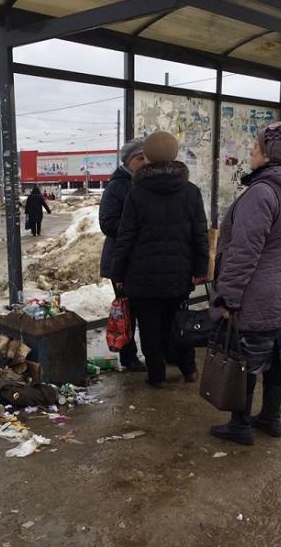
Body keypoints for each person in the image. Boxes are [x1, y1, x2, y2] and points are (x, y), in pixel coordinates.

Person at [209, 122, 281, 446]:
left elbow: (244, 254)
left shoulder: (262, 192)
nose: (251, 154)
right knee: (276, 354)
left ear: (269, 154)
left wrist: (227, 298)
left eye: (255, 148)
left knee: (245, 357)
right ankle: (271, 417)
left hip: (255, 291)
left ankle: (239, 424)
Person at [111, 131, 208, 387]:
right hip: (179, 272)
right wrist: (200, 268)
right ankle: (188, 369)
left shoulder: (137, 192)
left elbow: (126, 237)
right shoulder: (190, 191)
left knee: (150, 328)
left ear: (150, 157)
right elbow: (200, 234)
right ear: (175, 154)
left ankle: (157, 376)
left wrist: (118, 273)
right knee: (180, 323)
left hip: (142, 275)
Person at [99, 138, 147, 372]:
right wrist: (136, 227)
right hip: (119, 260)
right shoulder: (117, 186)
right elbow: (107, 223)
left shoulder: (141, 183)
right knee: (128, 311)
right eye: (140, 158)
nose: (144, 162)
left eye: (146, 157)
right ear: (129, 161)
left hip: (138, 260)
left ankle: (142, 354)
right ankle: (128, 357)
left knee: (141, 309)